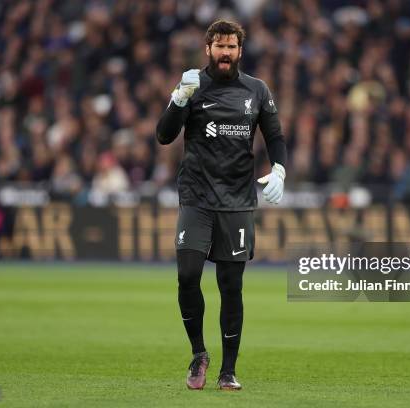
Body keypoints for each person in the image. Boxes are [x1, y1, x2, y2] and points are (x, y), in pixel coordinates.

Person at [156, 20, 287, 391]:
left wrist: (279, 169)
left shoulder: (257, 90)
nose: (225, 53)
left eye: (231, 47)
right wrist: (178, 99)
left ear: (240, 51)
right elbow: (164, 136)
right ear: (208, 49)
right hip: (197, 197)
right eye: (219, 46)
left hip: (236, 201)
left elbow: (275, 136)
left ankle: (228, 370)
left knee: (231, 286)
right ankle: (199, 353)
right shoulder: (192, 85)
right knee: (187, 275)